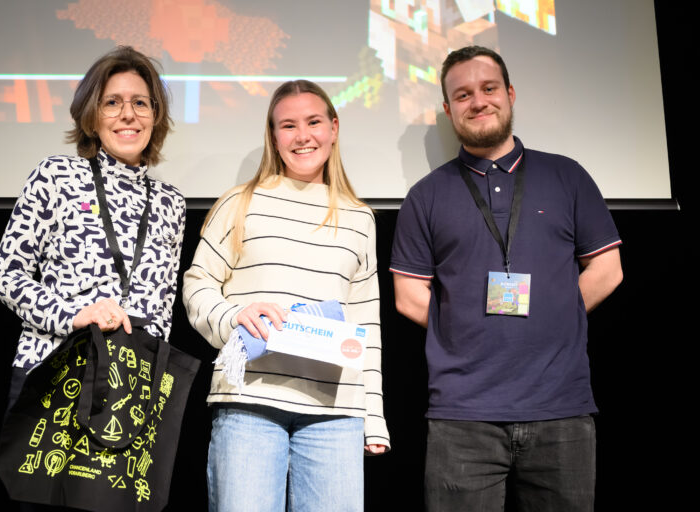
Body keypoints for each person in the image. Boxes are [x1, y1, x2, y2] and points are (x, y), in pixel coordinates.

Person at [390, 46, 623, 511]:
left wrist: (557, 314)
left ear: (510, 94)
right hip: (462, 415)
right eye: (463, 94)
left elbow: (607, 270)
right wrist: (465, 331)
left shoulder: (567, 176)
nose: (478, 101)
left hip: (561, 409)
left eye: (488, 88)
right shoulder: (426, 195)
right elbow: (408, 295)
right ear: (448, 109)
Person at [183, 79, 389, 511]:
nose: (302, 136)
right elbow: (197, 284)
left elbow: (366, 322)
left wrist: (374, 419)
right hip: (249, 403)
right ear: (273, 136)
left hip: (335, 413)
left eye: (313, 122)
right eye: (288, 125)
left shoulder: (359, 218)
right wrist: (233, 316)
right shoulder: (239, 202)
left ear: (333, 127)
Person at [0, 46, 185, 408]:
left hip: (130, 388)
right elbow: (6, 276)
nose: (128, 114)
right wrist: (75, 316)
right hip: (54, 370)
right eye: (112, 102)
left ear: (155, 116)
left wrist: (152, 381)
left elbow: (163, 307)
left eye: (141, 103)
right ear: (92, 116)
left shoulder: (170, 201)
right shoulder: (55, 176)